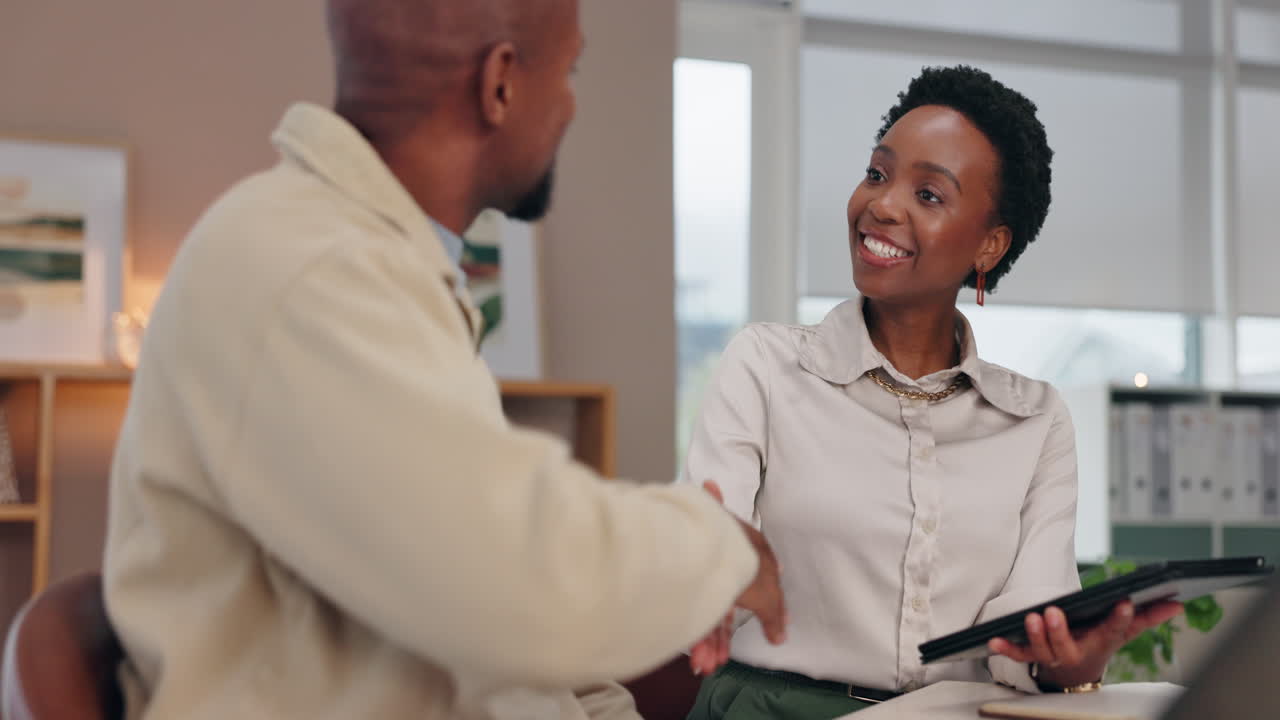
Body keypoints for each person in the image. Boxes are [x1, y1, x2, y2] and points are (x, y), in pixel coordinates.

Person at [101, 1, 786, 718]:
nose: (570, 107)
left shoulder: (373, 266)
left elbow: (491, 598)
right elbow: (510, 581)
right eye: (569, 71)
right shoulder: (311, 269)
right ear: (501, 84)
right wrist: (715, 552)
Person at [679, 65, 1183, 720]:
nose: (882, 205)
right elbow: (708, 546)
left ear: (989, 245)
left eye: (930, 194)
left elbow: (1023, 633)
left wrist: (1063, 663)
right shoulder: (767, 366)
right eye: (878, 174)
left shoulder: (1034, 420)